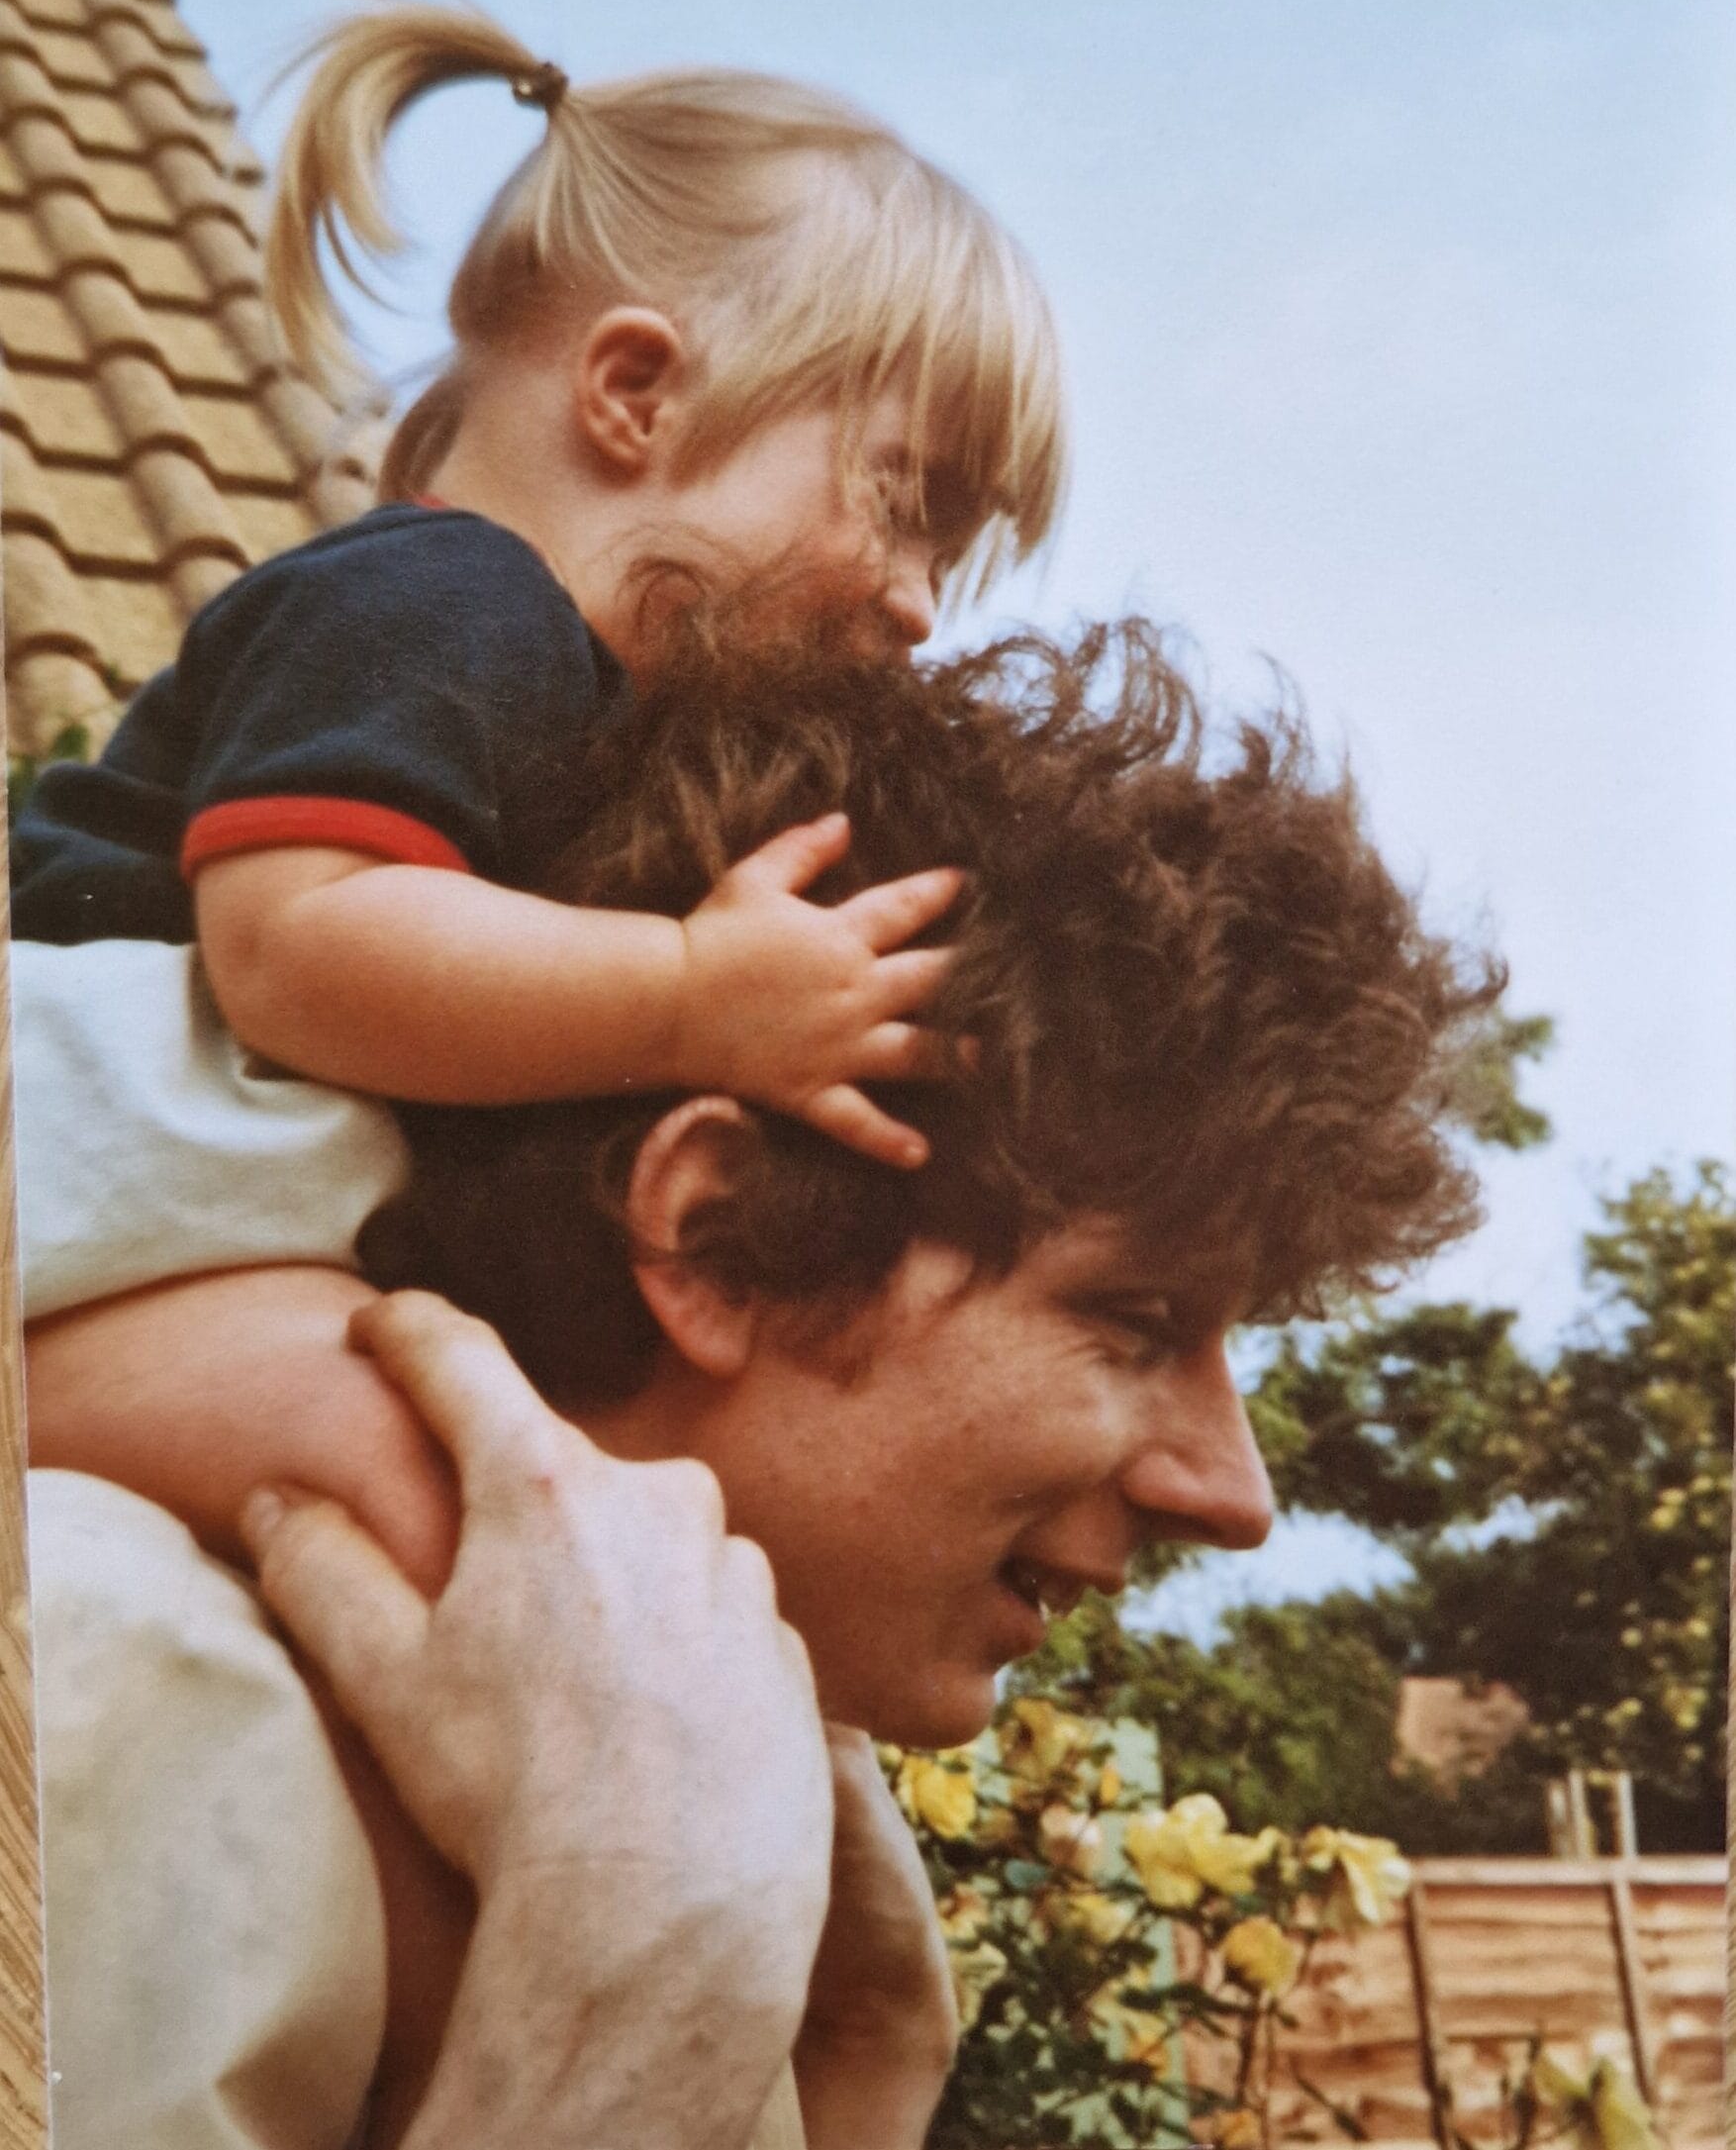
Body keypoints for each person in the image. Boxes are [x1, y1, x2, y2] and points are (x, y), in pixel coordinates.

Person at [25, 625, 1499, 2150]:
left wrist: (863, 2068)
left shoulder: (692, 1824)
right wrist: (625, 1992)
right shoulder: (125, 1698)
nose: (1235, 1495)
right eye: (1133, 1321)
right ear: (718, 1238)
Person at [10, 0, 1067, 1328]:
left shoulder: (511, 646)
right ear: (635, 392)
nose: (920, 607)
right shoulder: (451, 596)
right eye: (907, 503)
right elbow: (294, 945)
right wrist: (688, 996)